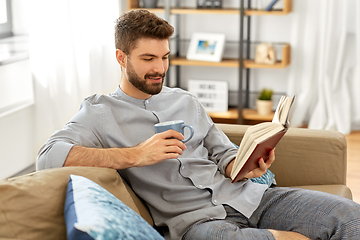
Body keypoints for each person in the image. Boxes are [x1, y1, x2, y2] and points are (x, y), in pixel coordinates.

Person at [37, 9, 360, 240]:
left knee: (350, 217)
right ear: (121, 58)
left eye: (164, 57)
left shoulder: (185, 101)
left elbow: (223, 153)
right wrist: (135, 155)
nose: (159, 68)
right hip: (195, 223)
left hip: (247, 196)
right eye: (148, 59)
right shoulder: (98, 112)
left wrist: (245, 164)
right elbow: (47, 156)